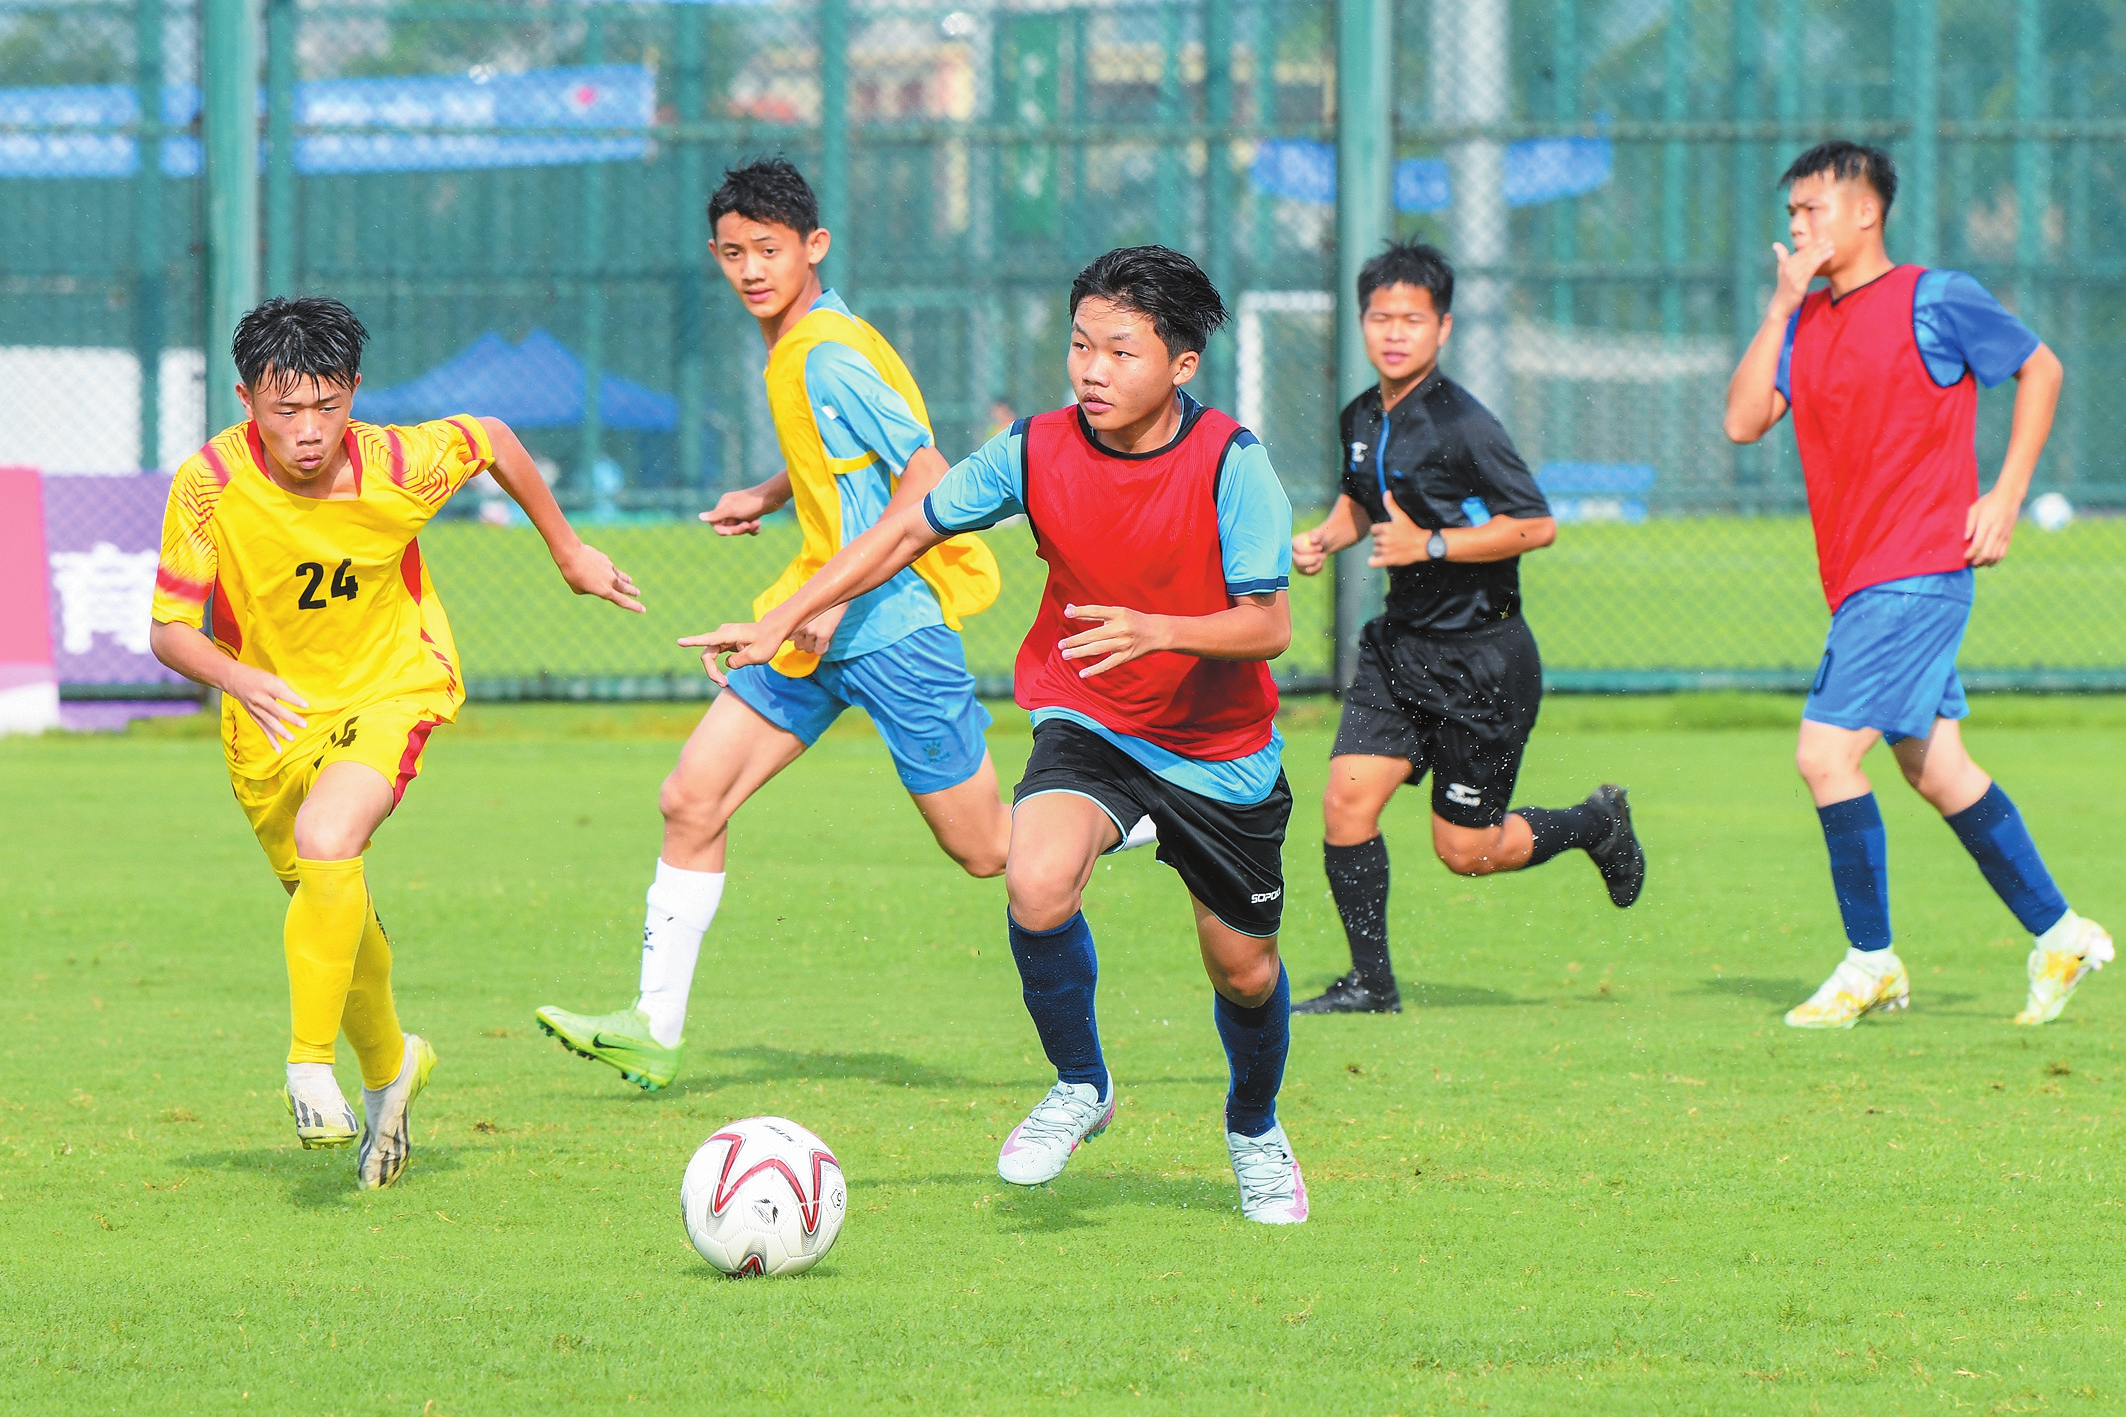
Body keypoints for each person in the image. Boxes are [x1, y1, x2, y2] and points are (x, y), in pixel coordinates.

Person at [687, 246, 1310, 1224]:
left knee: (1244, 968)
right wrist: (781, 618)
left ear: (1181, 365)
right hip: (1087, 715)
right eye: (1080, 345)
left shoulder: (1234, 464)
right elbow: (906, 528)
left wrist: (1158, 631)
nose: (1092, 370)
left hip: (1217, 745)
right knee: (1034, 878)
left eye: (1120, 351)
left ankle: (1254, 1128)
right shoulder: (1034, 449)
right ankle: (1081, 1083)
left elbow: (1267, 626)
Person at [534, 158, 1010, 1090]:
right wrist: (769, 491)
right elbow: (846, 457)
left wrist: (823, 603)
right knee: (692, 797)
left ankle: (1164, 812)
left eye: (769, 249)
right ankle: (652, 1029)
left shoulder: (826, 352)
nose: (750, 269)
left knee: (988, 849)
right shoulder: (802, 345)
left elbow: (928, 478)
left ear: (813, 246)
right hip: (817, 621)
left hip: (890, 627)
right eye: (733, 253)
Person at [148, 296, 641, 1188]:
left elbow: (492, 437)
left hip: (390, 686)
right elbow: (170, 630)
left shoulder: (398, 463)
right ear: (245, 399)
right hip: (269, 722)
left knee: (328, 838)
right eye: (285, 409)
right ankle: (390, 1070)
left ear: (355, 392)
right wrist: (239, 676)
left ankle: (308, 1067)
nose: (309, 430)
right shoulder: (209, 481)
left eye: (328, 405)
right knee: (331, 902)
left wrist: (568, 549)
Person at [1725, 141, 2110, 1029]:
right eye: (1791, 213)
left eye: (1813, 208)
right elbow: (1743, 421)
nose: (1797, 226)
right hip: (1863, 581)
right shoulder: (1804, 319)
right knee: (1937, 769)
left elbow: (2043, 367)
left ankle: (1871, 960)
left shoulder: (1935, 297)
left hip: (1916, 573)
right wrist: (1780, 306)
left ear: (1866, 211)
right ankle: (2060, 934)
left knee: (1825, 756)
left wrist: (2005, 494)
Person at [1288, 241, 1645, 1016]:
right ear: (1362, 321)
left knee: (1466, 850)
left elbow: (1537, 524)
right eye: (1381, 317)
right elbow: (1362, 501)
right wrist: (1324, 537)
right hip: (1399, 649)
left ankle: (1596, 823)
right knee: (1345, 802)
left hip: (1483, 661)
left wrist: (1432, 545)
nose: (1394, 333)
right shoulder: (1361, 415)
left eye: (1412, 319)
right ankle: (1371, 985)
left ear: (1443, 327)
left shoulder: (1464, 424)